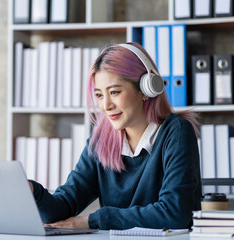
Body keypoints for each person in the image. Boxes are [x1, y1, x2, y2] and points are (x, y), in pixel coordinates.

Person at [28, 42, 202, 230]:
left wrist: (92, 220)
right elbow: (61, 209)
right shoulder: (100, 140)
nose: (106, 105)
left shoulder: (176, 132)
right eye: (99, 95)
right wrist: (32, 191)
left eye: (114, 92)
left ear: (145, 89)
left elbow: (174, 213)